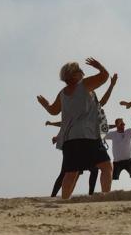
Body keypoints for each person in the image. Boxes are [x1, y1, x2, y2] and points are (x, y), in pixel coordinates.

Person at [37, 58, 112, 198]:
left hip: (69, 138)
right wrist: (99, 66)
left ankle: (64, 200)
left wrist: (45, 104)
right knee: (106, 167)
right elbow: (105, 77)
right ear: (74, 75)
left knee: (71, 172)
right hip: (87, 135)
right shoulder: (84, 85)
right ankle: (105, 198)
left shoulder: (63, 93)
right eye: (80, 71)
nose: (82, 73)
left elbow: (53, 111)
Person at [106, 112, 131, 188]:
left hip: (128, 160)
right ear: (117, 125)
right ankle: (106, 194)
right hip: (117, 162)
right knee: (108, 176)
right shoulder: (112, 134)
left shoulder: (128, 132)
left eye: (123, 124)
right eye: (121, 124)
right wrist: (114, 126)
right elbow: (100, 132)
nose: (123, 125)